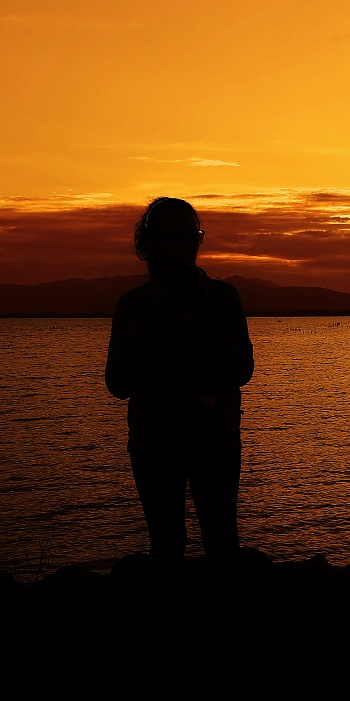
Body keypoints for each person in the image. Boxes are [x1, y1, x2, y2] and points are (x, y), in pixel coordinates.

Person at [105, 197, 254, 627]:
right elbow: (117, 384)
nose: (188, 243)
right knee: (166, 542)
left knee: (221, 538)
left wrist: (194, 328)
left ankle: (228, 633)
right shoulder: (133, 306)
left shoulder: (223, 298)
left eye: (194, 233)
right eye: (176, 233)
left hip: (215, 441)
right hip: (155, 443)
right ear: (149, 242)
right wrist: (146, 332)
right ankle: (167, 637)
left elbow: (242, 369)